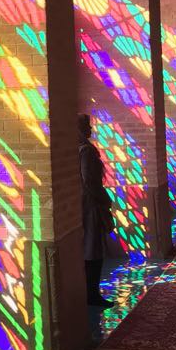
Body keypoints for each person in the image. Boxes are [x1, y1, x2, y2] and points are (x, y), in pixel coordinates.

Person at [77, 113, 114, 309]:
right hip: (90, 205)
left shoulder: (74, 149)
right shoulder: (86, 152)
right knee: (93, 251)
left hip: (81, 204)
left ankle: (90, 293)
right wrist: (104, 200)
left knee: (88, 250)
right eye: (87, 126)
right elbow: (90, 181)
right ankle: (92, 294)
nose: (90, 130)